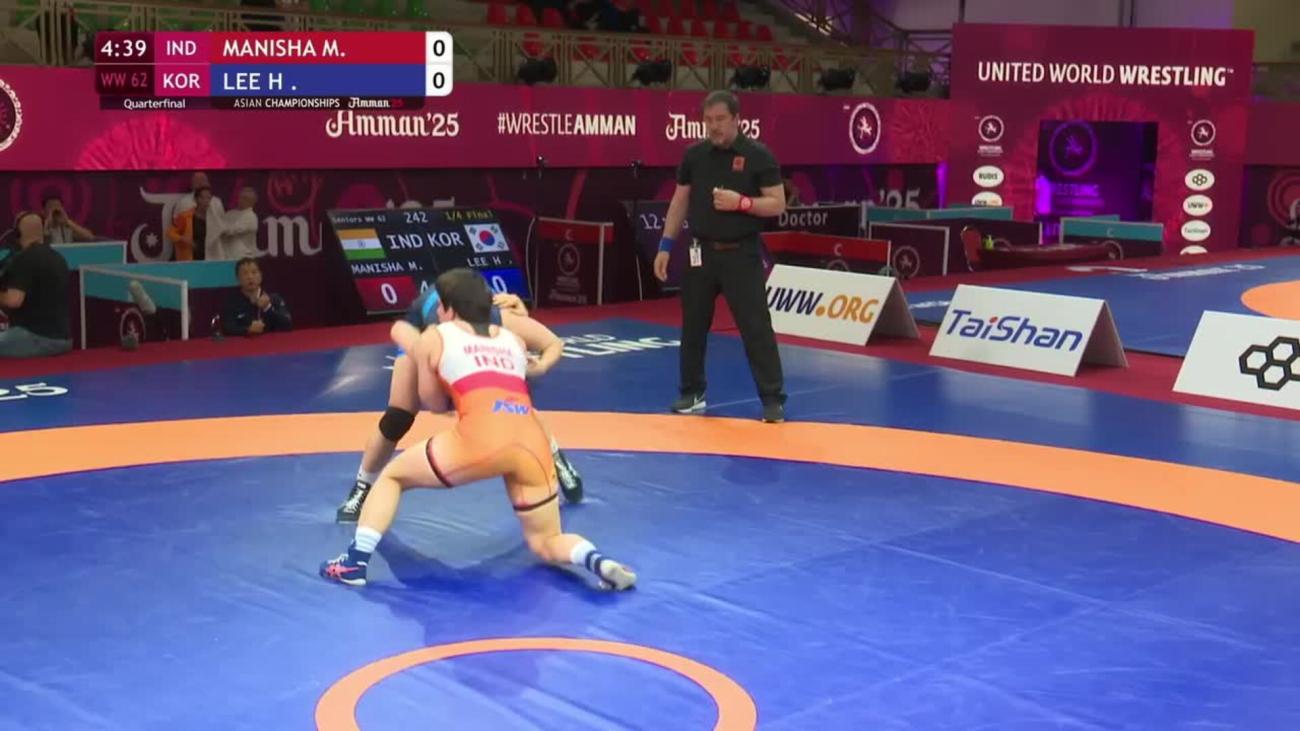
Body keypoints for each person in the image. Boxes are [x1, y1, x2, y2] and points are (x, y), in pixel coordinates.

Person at [320, 268, 635, 591]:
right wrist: (535, 365)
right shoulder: (512, 340)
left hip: (482, 438)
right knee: (546, 541)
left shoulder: (434, 337)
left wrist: (442, 375)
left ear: (448, 309)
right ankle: (599, 562)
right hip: (531, 443)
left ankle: (354, 563)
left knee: (392, 477)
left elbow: (434, 404)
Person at [335, 285, 584, 522]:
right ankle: (362, 487)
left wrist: (541, 366)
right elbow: (431, 398)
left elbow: (553, 343)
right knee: (397, 418)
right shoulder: (427, 336)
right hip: (423, 342)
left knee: (513, 403)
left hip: (473, 341)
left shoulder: (501, 318)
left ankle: (555, 457)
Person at [653, 90, 788, 423]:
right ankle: (692, 392)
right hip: (700, 253)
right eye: (708, 120)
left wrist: (742, 203)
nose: (714, 126)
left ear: (736, 119)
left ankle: (772, 398)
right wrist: (665, 245)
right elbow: (679, 201)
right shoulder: (695, 155)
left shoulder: (758, 155)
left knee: (755, 327)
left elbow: (777, 203)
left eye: (720, 120)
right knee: (693, 326)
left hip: (741, 254)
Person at [0, 212, 72, 358]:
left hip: (36, 337)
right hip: (64, 340)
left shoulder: (24, 258)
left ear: (18, 233)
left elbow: (13, 301)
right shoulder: (58, 258)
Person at [220, 257, 292, 336]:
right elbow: (227, 328)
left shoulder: (274, 298)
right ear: (238, 278)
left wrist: (267, 308)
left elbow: (287, 325)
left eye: (254, 272)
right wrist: (247, 329)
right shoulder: (231, 302)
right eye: (245, 273)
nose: (250, 277)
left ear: (261, 276)